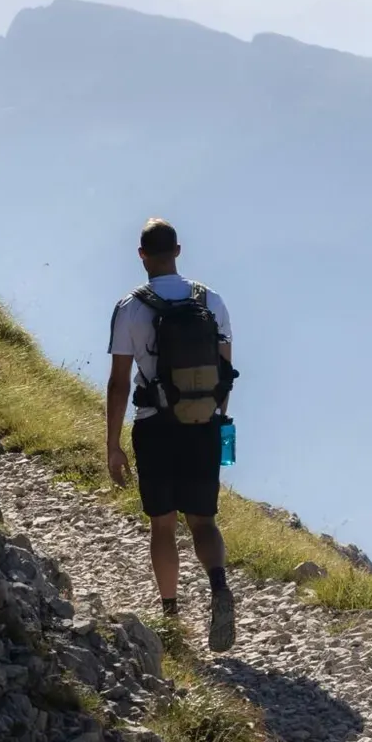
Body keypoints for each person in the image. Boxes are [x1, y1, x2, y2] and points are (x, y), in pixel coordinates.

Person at [106, 217, 237, 651]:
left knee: (162, 525)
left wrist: (112, 445)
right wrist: (216, 422)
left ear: (141, 255)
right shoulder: (210, 300)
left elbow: (119, 382)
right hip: (201, 425)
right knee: (203, 519)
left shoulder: (130, 307)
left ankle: (171, 618)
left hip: (154, 425)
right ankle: (218, 587)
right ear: (178, 251)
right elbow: (225, 373)